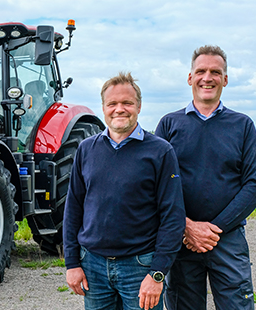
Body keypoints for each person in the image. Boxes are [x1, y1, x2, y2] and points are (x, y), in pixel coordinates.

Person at [155, 45, 256, 310]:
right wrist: (187, 226)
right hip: (181, 240)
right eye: (201, 71)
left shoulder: (242, 125)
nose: (208, 77)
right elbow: (154, 185)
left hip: (227, 239)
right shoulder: (169, 125)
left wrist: (213, 230)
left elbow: (254, 185)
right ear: (190, 77)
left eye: (215, 72)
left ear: (225, 79)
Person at [63, 72, 186, 310]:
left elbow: (173, 216)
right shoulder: (86, 149)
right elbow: (73, 208)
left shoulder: (160, 152)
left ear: (138, 106)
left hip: (140, 267)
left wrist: (157, 273)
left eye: (127, 103)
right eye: (113, 104)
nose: (120, 109)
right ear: (103, 108)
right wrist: (72, 264)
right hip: (93, 266)